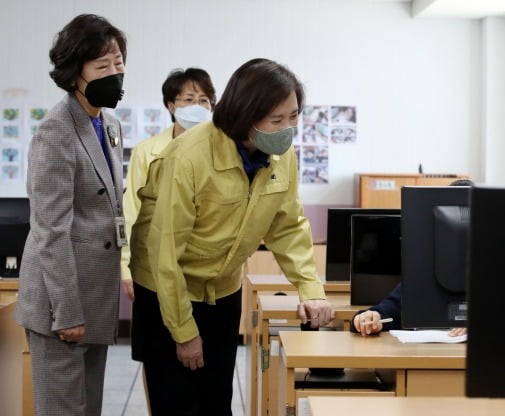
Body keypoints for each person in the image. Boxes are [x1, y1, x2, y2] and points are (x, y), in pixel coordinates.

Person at [130, 58, 335, 415]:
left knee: (215, 403)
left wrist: (310, 289)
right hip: (167, 290)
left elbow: (288, 226)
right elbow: (165, 253)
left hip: (222, 291)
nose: (288, 129)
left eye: (293, 117)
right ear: (245, 114)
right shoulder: (188, 155)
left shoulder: (279, 155)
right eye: (277, 120)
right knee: (176, 404)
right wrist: (184, 332)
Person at [14, 14, 127, 416]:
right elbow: (50, 230)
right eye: (103, 66)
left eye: (118, 63)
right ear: (72, 72)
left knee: (88, 408)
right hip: (61, 305)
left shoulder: (108, 123)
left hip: (94, 295)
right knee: (64, 409)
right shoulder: (56, 131)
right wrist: (67, 311)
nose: (115, 73)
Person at [120, 68, 216, 301]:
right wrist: (126, 265)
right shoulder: (146, 151)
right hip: (152, 263)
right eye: (189, 99)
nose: (197, 106)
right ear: (171, 106)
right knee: (156, 333)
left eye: (204, 100)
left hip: (205, 265)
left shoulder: (223, 150)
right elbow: (132, 209)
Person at [352, 178, 474, 337]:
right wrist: (370, 317)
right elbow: (389, 310)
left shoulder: (502, 277)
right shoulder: (425, 271)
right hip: (427, 356)